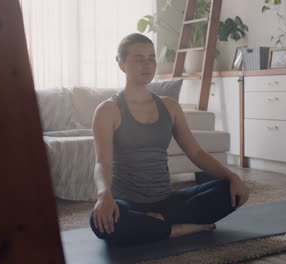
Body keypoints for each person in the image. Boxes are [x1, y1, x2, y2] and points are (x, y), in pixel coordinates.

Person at [89, 33, 249, 247]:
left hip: (166, 201)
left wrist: (233, 177)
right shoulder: (108, 110)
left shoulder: (169, 106)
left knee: (227, 189)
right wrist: (104, 195)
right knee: (100, 222)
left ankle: (156, 225)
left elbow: (196, 153)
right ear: (121, 64)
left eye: (151, 58)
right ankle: (178, 229)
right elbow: (103, 163)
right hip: (127, 204)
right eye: (139, 59)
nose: (147, 65)